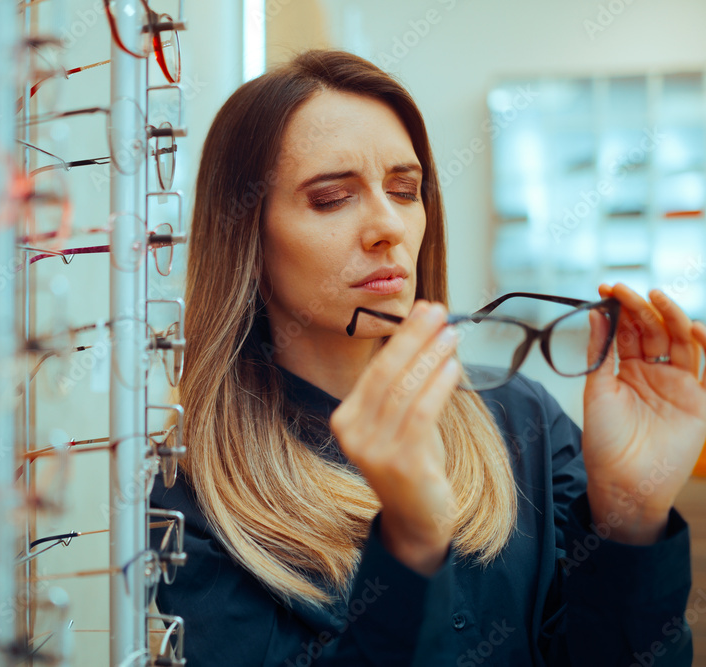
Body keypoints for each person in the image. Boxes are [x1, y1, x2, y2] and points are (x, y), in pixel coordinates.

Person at [149, 50, 706, 666]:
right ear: (245, 235)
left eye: (405, 190)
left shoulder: (525, 420)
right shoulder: (190, 495)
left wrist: (631, 514)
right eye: (332, 198)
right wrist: (410, 543)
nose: (388, 226)